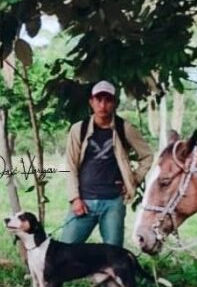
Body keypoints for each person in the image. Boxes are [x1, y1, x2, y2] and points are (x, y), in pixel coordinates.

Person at [61, 80, 153, 247]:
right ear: (91, 102)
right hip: (84, 200)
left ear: (114, 103)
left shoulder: (124, 128)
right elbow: (71, 165)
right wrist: (75, 198)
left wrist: (134, 179)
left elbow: (147, 155)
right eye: (99, 99)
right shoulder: (79, 129)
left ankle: (113, 274)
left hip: (113, 202)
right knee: (65, 249)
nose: (103, 105)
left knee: (113, 253)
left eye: (108, 100)